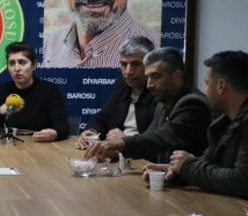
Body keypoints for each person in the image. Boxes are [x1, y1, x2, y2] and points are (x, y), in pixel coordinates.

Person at [142, 51, 248, 198]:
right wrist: (176, 171)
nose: (204, 90)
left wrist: (187, 166)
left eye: (207, 83)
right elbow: (206, 164)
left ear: (221, 86)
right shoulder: (223, 121)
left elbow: (242, 180)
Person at [86, 47, 210, 163]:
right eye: (147, 77)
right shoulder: (162, 104)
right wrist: (116, 152)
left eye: (155, 76)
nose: (149, 85)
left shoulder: (194, 103)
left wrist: (121, 143)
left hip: (187, 179)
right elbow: (149, 147)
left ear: (176, 76)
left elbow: (163, 137)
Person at [76, 36, 156, 149]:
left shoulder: (159, 90)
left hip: (141, 155)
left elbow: (159, 138)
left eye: (136, 64)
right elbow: (103, 117)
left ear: (150, 64)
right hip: (117, 153)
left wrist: (127, 140)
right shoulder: (122, 83)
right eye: (124, 64)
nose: (128, 71)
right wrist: (92, 132)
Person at [0, 42, 70, 141]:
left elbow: (63, 127)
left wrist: (55, 133)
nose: (17, 68)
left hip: (40, 145)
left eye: (22, 62)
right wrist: (0, 112)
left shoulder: (50, 90)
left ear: (34, 65)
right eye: (12, 63)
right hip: (10, 145)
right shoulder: (1, 91)